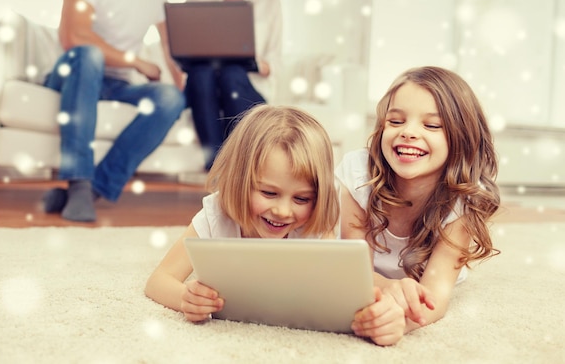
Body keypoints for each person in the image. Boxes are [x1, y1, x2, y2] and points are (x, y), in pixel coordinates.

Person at [144, 105, 405, 346]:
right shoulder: (217, 214)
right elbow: (158, 281)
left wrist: (384, 317)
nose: (283, 211)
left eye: (302, 198)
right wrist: (185, 298)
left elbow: (344, 297)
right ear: (238, 181)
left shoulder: (315, 225)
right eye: (268, 193)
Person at [336, 66, 501, 342]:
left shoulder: (465, 201)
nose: (408, 133)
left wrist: (400, 324)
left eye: (432, 125)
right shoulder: (359, 174)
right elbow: (357, 274)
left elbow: (435, 293)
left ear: (462, 137)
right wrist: (390, 288)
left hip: (422, 284)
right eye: (396, 121)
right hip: (372, 276)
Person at [41, 0, 186, 222]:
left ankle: (91, 190)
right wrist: (135, 60)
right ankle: (79, 182)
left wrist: (184, 86)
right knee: (90, 56)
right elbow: (73, 37)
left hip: (117, 85)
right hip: (73, 74)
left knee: (170, 99)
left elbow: (171, 47)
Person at [183, 0, 283, 171]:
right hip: (205, 85)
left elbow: (276, 62)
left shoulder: (268, 2)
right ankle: (216, 169)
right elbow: (187, 51)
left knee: (231, 73)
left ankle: (236, 164)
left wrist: (253, 62)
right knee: (202, 72)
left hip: (246, 84)